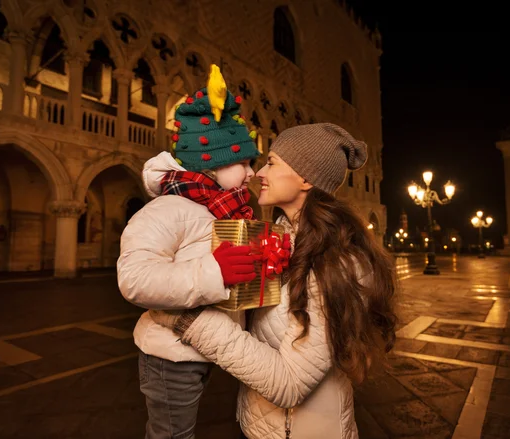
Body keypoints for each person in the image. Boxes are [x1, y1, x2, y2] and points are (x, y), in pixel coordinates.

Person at [153, 123, 398, 439]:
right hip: (258, 426)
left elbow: (292, 384)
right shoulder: (279, 240)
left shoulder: (336, 261)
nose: (258, 174)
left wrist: (191, 322)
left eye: (271, 162)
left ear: (306, 178)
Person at [117, 65, 261, 439]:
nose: (250, 174)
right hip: (171, 354)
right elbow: (134, 279)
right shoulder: (166, 209)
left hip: (209, 345)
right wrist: (216, 273)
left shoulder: (223, 209)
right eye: (242, 163)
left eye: (252, 163)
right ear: (209, 162)